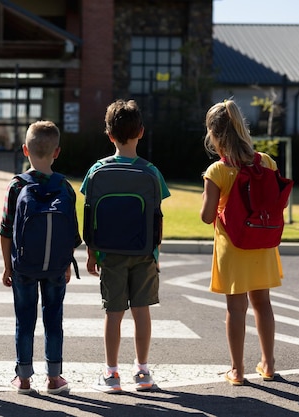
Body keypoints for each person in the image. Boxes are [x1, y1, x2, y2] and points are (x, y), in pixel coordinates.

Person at [80, 99, 170, 393]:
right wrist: (156, 253)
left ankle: (111, 373)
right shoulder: (151, 172)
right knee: (141, 310)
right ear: (141, 132)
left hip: (110, 253)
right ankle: (142, 372)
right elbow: (157, 217)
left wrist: (92, 253)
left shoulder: (96, 171)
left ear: (108, 134)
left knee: (113, 312)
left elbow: (91, 214)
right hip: (144, 252)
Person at [200, 99, 282, 385]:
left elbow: (206, 216)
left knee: (236, 309)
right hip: (263, 243)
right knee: (263, 303)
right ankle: (268, 364)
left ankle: (237, 370)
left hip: (234, 246)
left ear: (214, 134)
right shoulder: (267, 162)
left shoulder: (217, 171)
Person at [0, 120, 81, 395]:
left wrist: (7, 266)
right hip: (56, 266)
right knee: (53, 318)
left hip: (23, 266)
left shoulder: (16, 185)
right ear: (57, 152)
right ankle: (54, 378)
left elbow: (5, 229)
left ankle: (23, 378)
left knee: (24, 320)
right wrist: (67, 262)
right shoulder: (65, 187)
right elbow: (72, 230)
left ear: (25, 150)